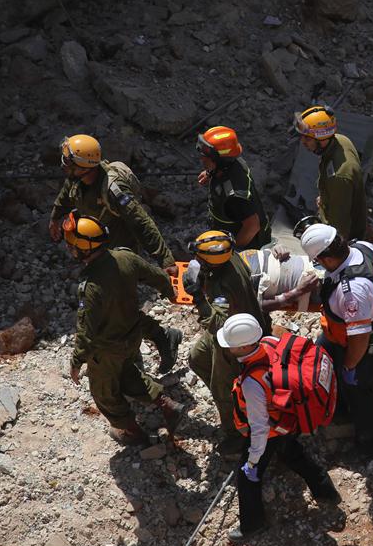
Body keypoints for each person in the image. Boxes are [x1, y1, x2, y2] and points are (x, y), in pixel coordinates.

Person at [50, 134, 182, 372]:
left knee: (119, 309)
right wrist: (55, 217)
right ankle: (156, 340)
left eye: (68, 161)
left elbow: (142, 222)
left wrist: (165, 259)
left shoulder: (113, 189)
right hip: (95, 250)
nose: (63, 165)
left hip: (120, 255)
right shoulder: (77, 180)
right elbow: (66, 196)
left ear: (83, 166)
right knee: (113, 308)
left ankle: (159, 340)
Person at [63, 212, 184, 445]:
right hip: (132, 335)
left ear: (85, 248)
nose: (71, 249)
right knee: (129, 375)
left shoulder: (90, 287)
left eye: (73, 246)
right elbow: (157, 276)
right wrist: (171, 293)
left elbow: (86, 332)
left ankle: (132, 433)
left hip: (107, 349)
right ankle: (167, 405)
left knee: (105, 394)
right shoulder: (125, 258)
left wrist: (77, 361)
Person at [219, 314, 340, 542]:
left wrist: (253, 460)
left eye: (232, 346)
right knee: (292, 453)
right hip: (288, 420)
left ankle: (252, 524)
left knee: (247, 478)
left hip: (272, 430)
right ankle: (326, 491)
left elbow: (259, 427)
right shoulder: (269, 342)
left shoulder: (251, 383)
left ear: (244, 346)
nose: (229, 350)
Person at [300, 223, 373, 458]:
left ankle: (369, 442)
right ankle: (338, 405)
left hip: (362, 345)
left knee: (359, 390)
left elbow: (360, 338)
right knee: (321, 360)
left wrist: (350, 365)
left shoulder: (352, 292)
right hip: (343, 333)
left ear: (326, 258)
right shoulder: (363, 248)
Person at [182, 230, 271, 456]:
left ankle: (237, 434)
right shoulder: (230, 257)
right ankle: (232, 399)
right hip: (233, 325)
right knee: (197, 358)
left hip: (234, 339)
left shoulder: (222, 287)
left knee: (224, 392)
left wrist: (199, 297)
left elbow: (218, 323)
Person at [293, 105, 367, 241]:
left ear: (322, 139)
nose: (302, 142)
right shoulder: (340, 140)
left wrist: (329, 250)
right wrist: (325, 198)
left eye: (307, 138)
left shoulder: (339, 175)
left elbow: (339, 228)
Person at [196, 126, 272, 250]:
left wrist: (230, 251)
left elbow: (252, 226)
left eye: (206, 156)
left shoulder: (235, 197)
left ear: (220, 160)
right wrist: (210, 172)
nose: (201, 158)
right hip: (225, 229)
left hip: (248, 246)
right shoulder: (233, 163)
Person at [238, 245, 320, 313]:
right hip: (313, 291)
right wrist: (298, 291)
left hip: (313, 264)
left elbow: (260, 255)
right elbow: (257, 306)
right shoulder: (228, 292)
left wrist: (275, 250)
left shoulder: (231, 256)